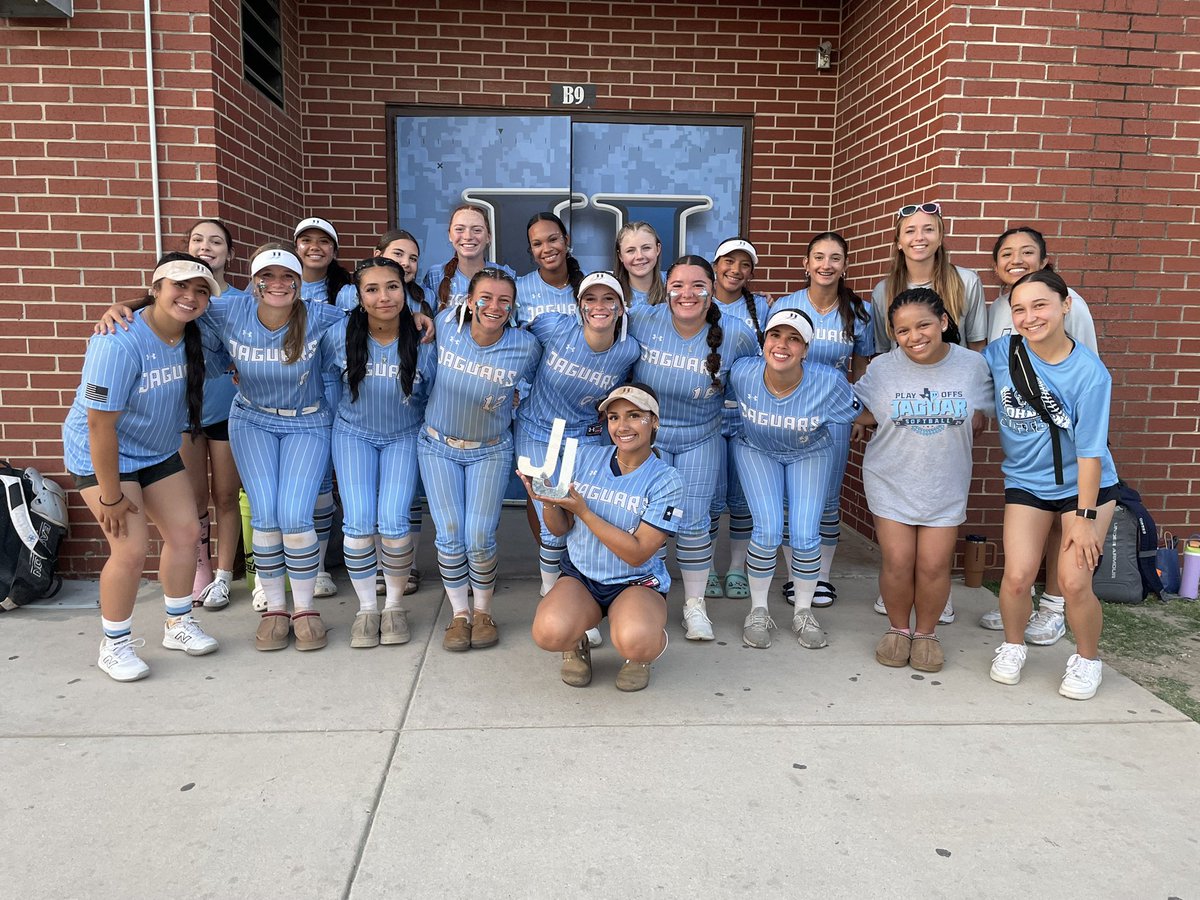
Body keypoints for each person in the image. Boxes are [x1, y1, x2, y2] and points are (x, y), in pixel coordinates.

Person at [63, 253, 220, 681]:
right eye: (179, 286)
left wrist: (126, 301)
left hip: (154, 449)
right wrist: (111, 496)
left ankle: (178, 623)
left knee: (187, 533)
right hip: (103, 453)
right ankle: (114, 645)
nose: (189, 297)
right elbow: (99, 425)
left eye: (200, 290)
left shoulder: (195, 330)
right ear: (156, 288)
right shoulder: (118, 340)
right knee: (131, 550)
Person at [983, 268, 1119, 700]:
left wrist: (1083, 517)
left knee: (1075, 580)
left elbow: (1091, 453)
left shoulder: (1090, 373)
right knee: (1018, 576)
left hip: (1085, 486)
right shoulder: (1001, 352)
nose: (1029, 317)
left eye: (1039, 305)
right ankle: (1013, 645)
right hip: (1027, 482)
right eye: (1019, 309)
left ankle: (1086, 659)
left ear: (1065, 306)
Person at [206, 244, 346, 651]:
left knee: (295, 513)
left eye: (288, 277)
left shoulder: (321, 315)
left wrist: (422, 320)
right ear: (254, 282)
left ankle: (304, 610)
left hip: (308, 419)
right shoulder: (229, 310)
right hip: (252, 418)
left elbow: (374, 322)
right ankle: (275, 610)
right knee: (266, 514)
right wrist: (127, 305)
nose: (277, 284)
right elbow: (180, 305)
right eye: (267, 276)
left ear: (300, 284)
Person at [853, 289, 991, 672]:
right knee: (898, 562)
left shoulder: (973, 367)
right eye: (902, 331)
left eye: (923, 325)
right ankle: (899, 630)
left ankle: (926, 634)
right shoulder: (882, 368)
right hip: (891, 477)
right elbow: (860, 409)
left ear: (944, 322)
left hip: (945, 481)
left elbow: (984, 412)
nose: (914, 336)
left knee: (933, 565)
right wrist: (862, 424)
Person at [626, 255, 758, 641]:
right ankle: (647, 598)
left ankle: (694, 605)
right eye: (678, 285)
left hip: (701, 437)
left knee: (695, 523)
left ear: (712, 289)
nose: (687, 293)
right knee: (644, 522)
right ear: (666, 288)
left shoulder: (736, 333)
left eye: (697, 285)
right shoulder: (642, 320)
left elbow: (754, 385)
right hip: (649, 439)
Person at [978, 226, 1100, 643]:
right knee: (1019, 566)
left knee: (1066, 553)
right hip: (1025, 457)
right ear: (995, 268)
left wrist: (1086, 515)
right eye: (1006, 253)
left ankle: (1053, 607)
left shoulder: (1071, 306)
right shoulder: (999, 309)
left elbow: (1082, 378)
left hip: (1071, 453)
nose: (1016, 259)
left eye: (1027, 252)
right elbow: (982, 367)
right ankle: (1023, 606)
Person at [527, 384, 685, 692]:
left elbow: (639, 553)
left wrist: (585, 512)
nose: (622, 426)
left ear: (654, 421)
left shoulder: (667, 480)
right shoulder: (586, 457)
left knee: (636, 640)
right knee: (548, 633)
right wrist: (546, 498)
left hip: (635, 581)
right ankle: (576, 644)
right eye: (613, 417)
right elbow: (560, 528)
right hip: (582, 576)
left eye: (634, 415)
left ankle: (640, 655)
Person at [418, 268, 540, 652]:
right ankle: (459, 614)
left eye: (504, 300)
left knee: (479, 536)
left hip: (490, 447)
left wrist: (517, 398)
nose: (494, 306)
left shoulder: (525, 346)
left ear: (513, 306)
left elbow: (541, 383)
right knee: (450, 535)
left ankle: (483, 611)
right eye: (485, 297)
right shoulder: (445, 325)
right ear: (469, 301)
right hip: (438, 445)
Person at [322, 257, 435, 648]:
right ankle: (367, 608)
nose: (383, 296)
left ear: (405, 289)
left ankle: (395, 606)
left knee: (393, 522)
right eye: (372, 289)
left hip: (404, 435)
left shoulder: (424, 338)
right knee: (357, 523)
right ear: (358, 294)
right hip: (353, 434)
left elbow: (431, 392)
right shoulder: (339, 334)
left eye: (392, 286)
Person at [728, 308, 857, 650]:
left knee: (803, 531)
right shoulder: (743, 372)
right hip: (757, 449)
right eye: (775, 335)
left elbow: (862, 415)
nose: (782, 344)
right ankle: (758, 610)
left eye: (794, 338)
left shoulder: (828, 380)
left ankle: (803, 611)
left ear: (806, 348)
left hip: (810, 452)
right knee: (768, 528)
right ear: (764, 341)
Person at [516, 272, 639, 598]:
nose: (599, 306)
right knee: (552, 519)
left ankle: (581, 589)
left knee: (586, 517)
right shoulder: (553, 326)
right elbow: (509, 342)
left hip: (585, 437)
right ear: (580, 306)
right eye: (591, 299)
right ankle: (552, 592)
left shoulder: (628, 349)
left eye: (608, 299)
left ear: (621, 306)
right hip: (538, 432)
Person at [770, 232, 873, 610]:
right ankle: (794, 577)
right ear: (806, 264)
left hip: (833, 414)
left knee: (827, 500)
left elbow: (861, 366)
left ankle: (821, 578)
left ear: (845, 265)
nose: (826, 265)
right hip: (787, 410)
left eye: (834, 258)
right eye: (818, 257)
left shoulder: (858, 311)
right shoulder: (785, 305)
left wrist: (859, 410)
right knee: (788, 500)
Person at [182, 219, 248, 611]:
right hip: (185, 411)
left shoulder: (239, 300)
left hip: (228, 408)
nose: (206, 246)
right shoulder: (178, 297)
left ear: (229, 253)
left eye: (216, 241)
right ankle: (199, 569)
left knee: (226, 494)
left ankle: (225, 576)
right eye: (197, 239)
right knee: (193, 498)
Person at [293, 216, 353, 600]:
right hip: (293, 392)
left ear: (333, 250)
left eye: (323, 241)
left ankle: (336, 557)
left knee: (334, 478)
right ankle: (310, 567)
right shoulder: (279, 284)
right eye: (306, 240)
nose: (315, 247)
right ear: (296, 246)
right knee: (310, 478)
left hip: (334, 387)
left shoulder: (345, 292)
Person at [704, 238, 767, 607]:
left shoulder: (759, 307)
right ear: (716, 264)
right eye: (729, 261)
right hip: (709, 412)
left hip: (745, 415)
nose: (736, 270)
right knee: (712, 499)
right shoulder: (698, 301)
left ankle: (736, 568)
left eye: (745, 264)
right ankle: (708, 567)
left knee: (741, 499)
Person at [871, 202, 987, 353]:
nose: (919, 237)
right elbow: (882, 351)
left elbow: (977, 346)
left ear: (940, 239)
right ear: (899, 242)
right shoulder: (883, 291)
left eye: (929, 229)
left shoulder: (967, 281)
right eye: (910, 231)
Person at [421, 203, 515, 311]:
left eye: (477, 230)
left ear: (488, 237)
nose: (468, 236)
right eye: (459, 229)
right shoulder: (435, 275)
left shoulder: (506, 275)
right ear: (450, 235)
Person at [515, 212, 586, 325]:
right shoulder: (519, 290)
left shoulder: (591, 284)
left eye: (553, 240)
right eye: (537, 244)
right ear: (531, 250)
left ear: (566, 240)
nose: (547, 249)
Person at [613, 222, 667, 306]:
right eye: (630, 250)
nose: (639, 256)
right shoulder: (610, 291)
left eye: (646, 248)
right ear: (620, 256)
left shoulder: (675, 285)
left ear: (658, 249)